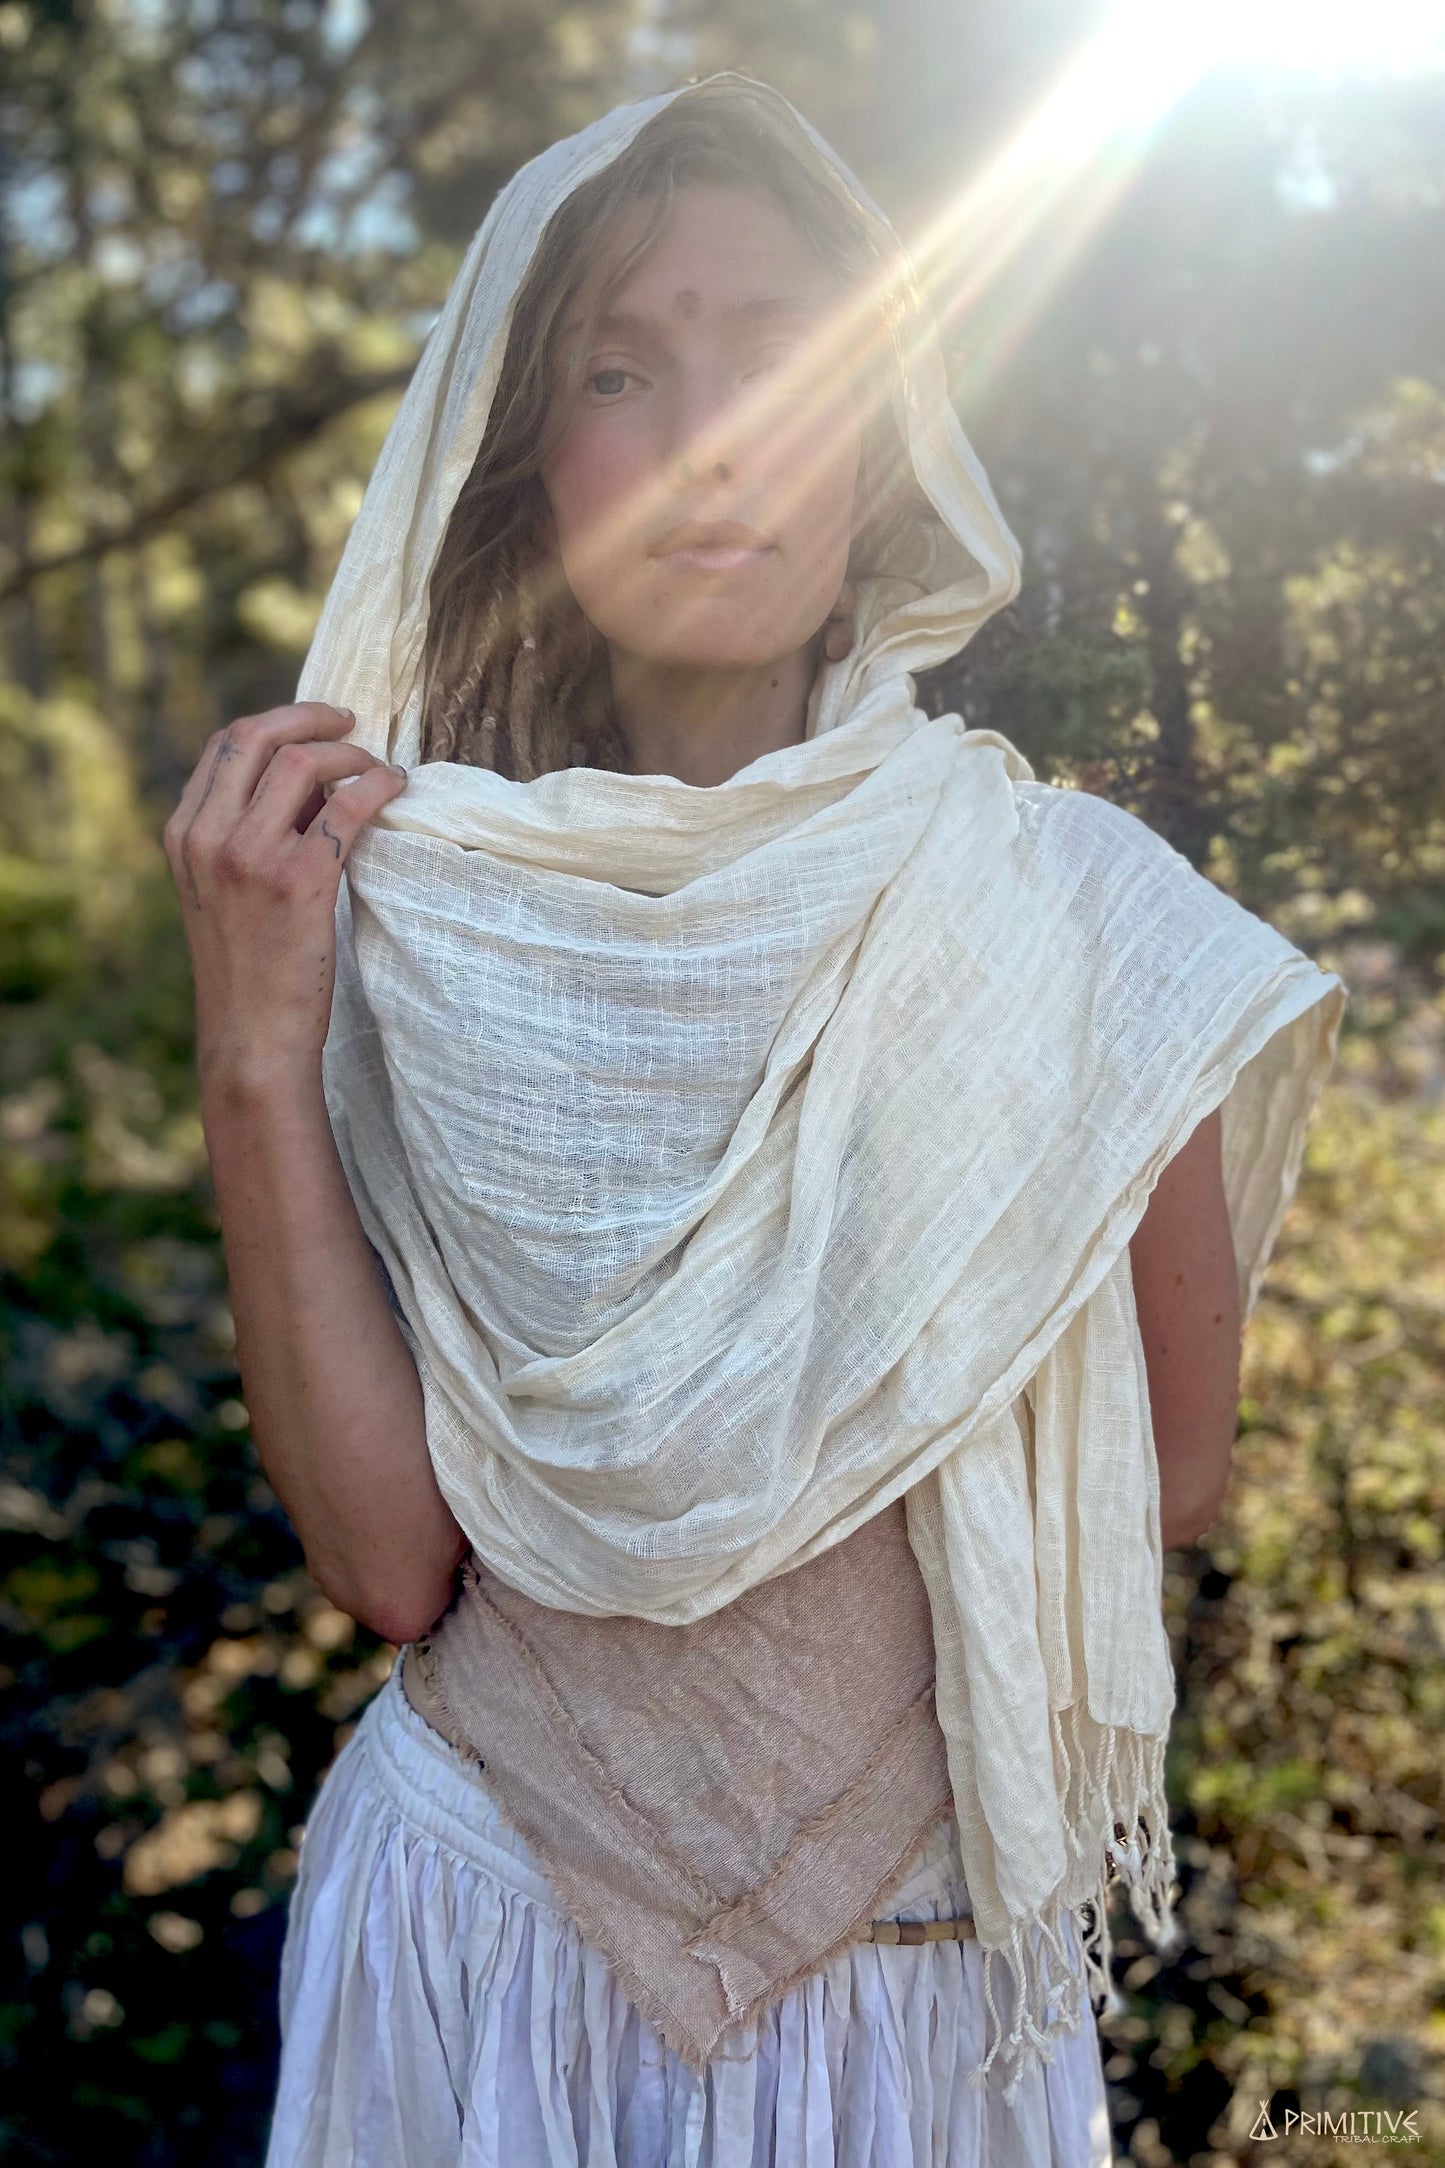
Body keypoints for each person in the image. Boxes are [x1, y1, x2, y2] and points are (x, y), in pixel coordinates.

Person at [163, 72, 1342, 2168]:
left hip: (916, 1996)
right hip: (479, 1940)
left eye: (784, 359)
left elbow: (1165, 1469)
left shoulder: (1068, 919)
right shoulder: (401, 918)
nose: (712, 438)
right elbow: (390, 1564)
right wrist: (256, 1050)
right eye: (621, 371)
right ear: (529, 469)